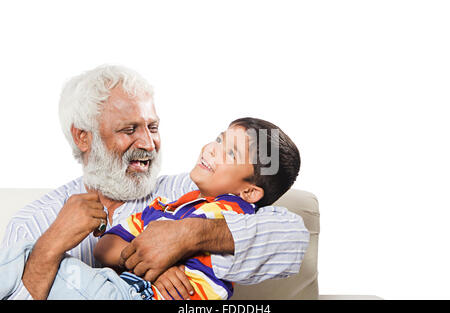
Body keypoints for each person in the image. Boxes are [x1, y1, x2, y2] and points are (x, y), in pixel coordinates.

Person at [0, 65, 310, 300]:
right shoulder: (32, 223)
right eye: (129, 129)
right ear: (84, 137)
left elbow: (292, 238)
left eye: (152, 126)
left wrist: (189, 235)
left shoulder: (190, 194)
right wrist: (51, 245)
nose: (148, 143)